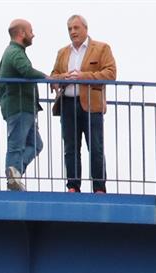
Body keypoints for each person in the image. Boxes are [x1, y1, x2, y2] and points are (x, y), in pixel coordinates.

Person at [50, 14, 116, 192]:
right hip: (68, 104)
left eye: (76, 28)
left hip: (91, 105)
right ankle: (73, 186)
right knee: (70, 147)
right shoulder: (63, 52)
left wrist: (83, 76)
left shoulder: (101, 48)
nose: (73, 32)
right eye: (70, 29)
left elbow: (110, 73)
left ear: (85, 29)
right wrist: (61, 78)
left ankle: (99, 187)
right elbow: (54, 75)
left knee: (95, 146)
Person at [0, 19, 48, 191]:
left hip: (24, 107)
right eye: (31, 31)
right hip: (19, 106)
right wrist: (48, 78)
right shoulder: (15, 52)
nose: (33, 34)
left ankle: (15, 174)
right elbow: (27, 71)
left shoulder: (14, 51)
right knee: (16, 145)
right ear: (22, 33)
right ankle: (13, 179)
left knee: (36, 144)